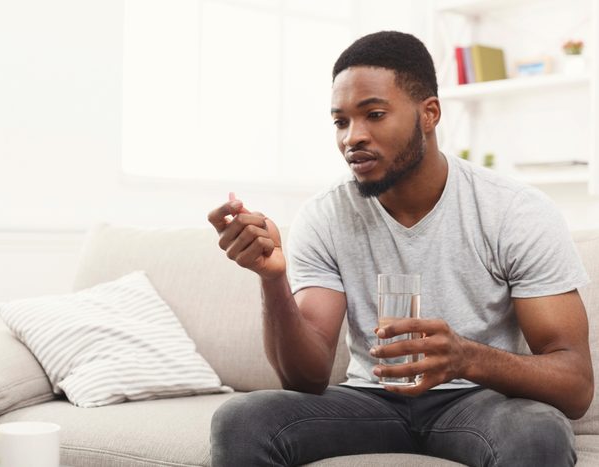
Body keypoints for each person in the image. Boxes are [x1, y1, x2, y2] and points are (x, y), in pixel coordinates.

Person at [206, 30, 593, 467]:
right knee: (242, 419)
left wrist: (466, 357)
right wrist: (272, 279)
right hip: (371, 403)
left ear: (429, 114)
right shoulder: (325, 215)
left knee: (537, 432)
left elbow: (575, 386)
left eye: (373, 114)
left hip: (477, 404)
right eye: (341, 121)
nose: (353, 137)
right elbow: (307, 378)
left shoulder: (515, 211)